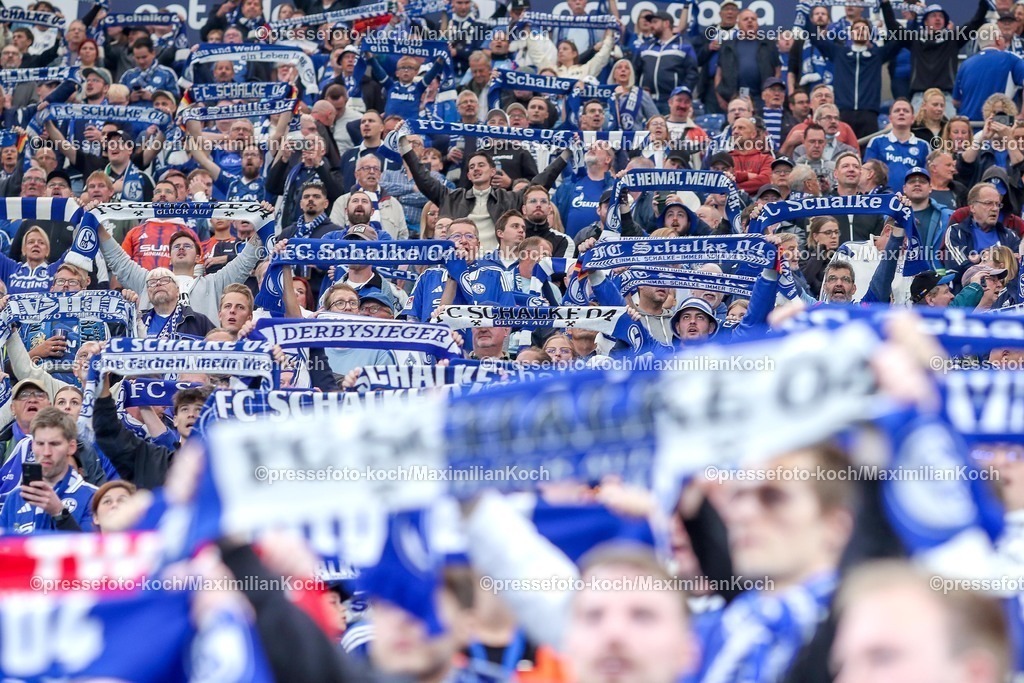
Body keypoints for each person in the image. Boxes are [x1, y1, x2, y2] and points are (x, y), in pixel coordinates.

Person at [0, 407, 97, 534]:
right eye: (40, 444)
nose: (46, 452)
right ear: (32, 446)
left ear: (71, 447)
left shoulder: (93, 497)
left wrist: (59, 513)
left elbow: (90, 546)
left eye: (54, 444)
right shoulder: (15, 498)